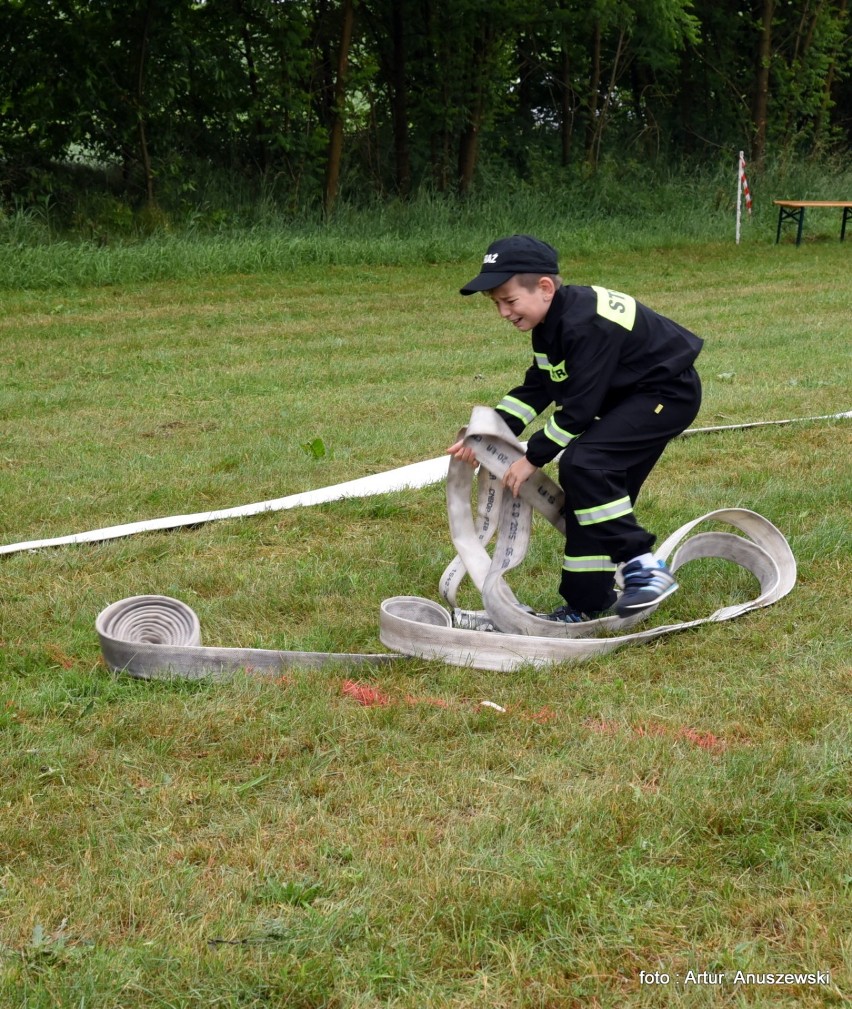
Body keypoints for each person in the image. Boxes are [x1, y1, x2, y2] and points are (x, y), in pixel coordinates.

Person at [448, 234, 703, 621]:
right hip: (630, 400)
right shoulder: (552, 323)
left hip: (667, 393)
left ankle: (644, 568)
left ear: (545, 288)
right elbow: (539, 387)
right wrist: (483, 437)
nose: (503, 311)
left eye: (509, 299)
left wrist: (530, 458)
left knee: (584, 464)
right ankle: (586, 604)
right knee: (593, 493)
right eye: (496, 303)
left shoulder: (587, 323)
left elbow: (578, 410)